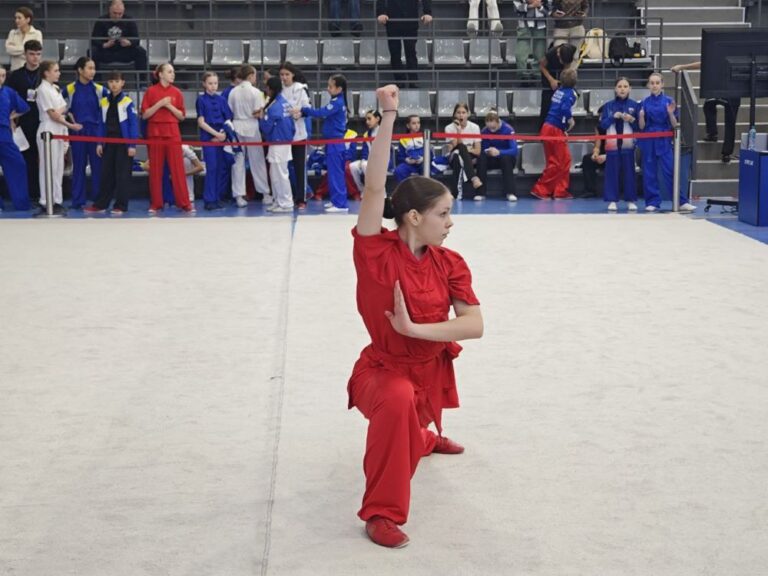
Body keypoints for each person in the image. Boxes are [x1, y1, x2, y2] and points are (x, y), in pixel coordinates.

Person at [350, 84, 483, 549]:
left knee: (411, 416)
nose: (450, 222)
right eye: (443, 214)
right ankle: (381, 513)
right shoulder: (374, 252)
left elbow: (474, 325)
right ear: (411, 217)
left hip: (429, 370)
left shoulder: (451, 262)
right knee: (398, 401)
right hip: (383, 370)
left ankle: (423, 439)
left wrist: (414, 329)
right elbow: (374, 187)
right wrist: (389, 115)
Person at [140, 62, 194, 214]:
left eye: (173, 72)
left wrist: (169, 106)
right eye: (170, 72)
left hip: (172, 133)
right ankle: (156, 203)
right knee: (156, 170)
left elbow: (181, 116)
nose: (173, 74)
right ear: (161, 74)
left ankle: (184, 203)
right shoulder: (150, 91)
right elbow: (145, 115)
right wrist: (160, 104)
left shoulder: (177, 92)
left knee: (177, 169)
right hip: (155, 133)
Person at [638, 72, 696, 212]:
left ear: (662, 84)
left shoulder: (669, 101)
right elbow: (641, 126)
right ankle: (652, 202)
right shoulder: (644, 102)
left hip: (664, 139)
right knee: (649, 172)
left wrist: (670, 113)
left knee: (670, 170)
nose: (654, 86)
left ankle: (680, 201)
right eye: (652, 83)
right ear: (648, 85)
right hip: (649, 139)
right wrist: (641, 116)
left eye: (657, 83)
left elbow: (675, 125)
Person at [85, 70, 138, 215]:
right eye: (111, 81)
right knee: (106, 175)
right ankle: (101, 204)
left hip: (123, 144)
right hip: (108, 143)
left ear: (122, 83)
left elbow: (133, 124)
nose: (114, 84)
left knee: (123, 176)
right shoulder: (103, 102)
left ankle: (121, 205)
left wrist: (132, 145)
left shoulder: (128, 102)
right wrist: (99, 143)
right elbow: (101, 124)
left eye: (117, 81)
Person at [296, 73, 349, 213]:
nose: (328, 89)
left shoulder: (337, 103)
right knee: (332, 174)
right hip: (332, 143)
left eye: (331, 86)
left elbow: (321, 112)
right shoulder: (336, 101)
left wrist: (304, 109)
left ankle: (340, 204)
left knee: (336, 174)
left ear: (339, 89)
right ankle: (336, 200)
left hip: (335, 143)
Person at [36, 60, 83, 215]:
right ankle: (46, 201)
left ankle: (57, 200)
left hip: (58, 128)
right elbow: (53, 114)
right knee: (48, 167)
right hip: (48, 128)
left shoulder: (55, 88)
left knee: (58, 166)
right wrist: (71, 126)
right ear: (46, 73)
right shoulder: (42, 89)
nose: (59, 73)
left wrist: (60, 115)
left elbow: (63, 107)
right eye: (55, 71)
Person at [671, 61, 740, 163]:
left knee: (730, 120)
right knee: (708, 105)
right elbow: (704, 63)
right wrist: (682, 66)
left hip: (734, 89)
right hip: (720, 88)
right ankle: (712, 133)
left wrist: (682, 66)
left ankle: (726, 153)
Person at [65, 57, 109, 210]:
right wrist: (69, 119)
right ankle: (78, 200)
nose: (93, 71)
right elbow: (59, 107)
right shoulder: (69, 89)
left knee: (98, 168)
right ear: (80, 70)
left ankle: (99, 200)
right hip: (77, 133)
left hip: (96, 133)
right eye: (90, 68)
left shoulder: (100, 90)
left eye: (94, 68)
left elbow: (111, 107)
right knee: (78, 167)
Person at [531, 67, 577, 200]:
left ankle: (557, 190)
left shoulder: (558, 91)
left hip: (547, 126)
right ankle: (543, 189)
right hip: (554, 129)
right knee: (562, 161)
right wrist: (570, 121)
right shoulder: (571, 94)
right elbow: (565, 108)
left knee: (555, 161)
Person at [229, 65, 271, 208]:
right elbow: (259, 112)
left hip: (237, 125)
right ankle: (265, 194)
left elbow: (230, 110)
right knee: (257, 161)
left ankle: (239, 196)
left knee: (238, 162)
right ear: (251, 76)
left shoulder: (233, 92)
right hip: (252, 126)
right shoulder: (256, 92)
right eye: (255, 76)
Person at [6, 39, 42, 203]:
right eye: (32, 54)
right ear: (25, 55)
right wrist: (12, 121)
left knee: (43, 158)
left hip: (42, 120)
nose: (35, 58)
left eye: (38, 54)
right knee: (26, 159)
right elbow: (8, 99)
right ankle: (29, 194)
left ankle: (43, 193)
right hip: (23, 122)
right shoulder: (16, 76)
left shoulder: (45, 73)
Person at [599, 77, 639, 211]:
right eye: (620, 86)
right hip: (612, 145)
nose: (622, 89)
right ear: (615, 89)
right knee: (612, 172)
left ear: (630, 89)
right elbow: (603, 125)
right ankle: (612, 200)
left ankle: (630, 200)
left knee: (629, 172)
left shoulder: (634, 105)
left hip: (628, 145)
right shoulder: (608, 106)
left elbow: (639, 127)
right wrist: (612, 117)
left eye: (625, 86)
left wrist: (631, 119)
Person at [196, 71, 233, 211]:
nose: (213, 86)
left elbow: (228, 119)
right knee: (211, 168)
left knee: (220, 169)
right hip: (209, 139)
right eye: (210, 83)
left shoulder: (222, 100)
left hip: (221, 138)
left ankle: (217, 197)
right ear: (204, 84)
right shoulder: (201, 100)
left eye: (215, 83)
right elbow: (201, 122)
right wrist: (215, 134)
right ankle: (209, 199)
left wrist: (223, 134)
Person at [376, 0, 433, 88]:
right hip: (392, 20)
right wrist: (380, 13)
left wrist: (427, 12)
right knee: (395, 53)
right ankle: (400, 81)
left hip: (410, 19)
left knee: (411, 51)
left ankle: (413, 80)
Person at [260, 76, 295, 213]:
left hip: (278, 142)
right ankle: (278, 200)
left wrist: (261, 118)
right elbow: (292, 125)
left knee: (280, 174)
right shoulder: (284, 102)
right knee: (275, 174)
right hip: (282, 141)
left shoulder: (274, 107)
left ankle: (286, 203)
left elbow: (266, 127)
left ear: (270, 89)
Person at [279, 62, 311, 208]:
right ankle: (285, 196)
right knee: (282, 168)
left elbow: (307, 108)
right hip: (282, 135)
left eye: (287, 74)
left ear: (292, 75)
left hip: (298, 134)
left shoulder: (300, 89)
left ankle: (301, 198)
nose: (284, 77)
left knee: (299, 167)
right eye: (282, 74)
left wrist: (299, 112)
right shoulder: (278, 89)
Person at [0, 64, 31, 211]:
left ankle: (21, 203)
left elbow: (24, 107)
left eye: (3, 76)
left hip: (4, 134)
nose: (1, 79)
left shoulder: (9, 92)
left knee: (18, 164)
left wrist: (10, 117)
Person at [90, 0, 148, 72]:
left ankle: (142, 79)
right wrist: (104, 45)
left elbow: (136, 40)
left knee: (140, 51)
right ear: (110, 10)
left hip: (124, 52)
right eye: (114, 13)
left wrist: (129, 43)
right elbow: (94, 40)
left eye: (120, 14)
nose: (117, 16)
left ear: (123, 11)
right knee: (92, 51)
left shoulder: (129, 20)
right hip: (106, 52)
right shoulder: (101, 21)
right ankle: (95, 78)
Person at [476, 109, 518, 201]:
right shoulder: (485, 131)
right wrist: (488, 151)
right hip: (491, 159)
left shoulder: (508, 129)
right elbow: (484, 148)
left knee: (505, 158)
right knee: (481, 158)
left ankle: (510, 192)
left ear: (498, 122)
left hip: (506, 159)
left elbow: (514, 150)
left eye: (494, 128)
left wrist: (499, 152)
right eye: (489, 128)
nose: (491, 130)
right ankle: (480, 193)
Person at [444, 102, 482, 200]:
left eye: (464, 112)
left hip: (467, 157)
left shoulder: (475, 127)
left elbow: (478, 151)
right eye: (458, 112)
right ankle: (473, 178)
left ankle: (455, 194)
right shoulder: (449, 128)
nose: (461, 115)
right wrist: (458, 132)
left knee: (459, 158)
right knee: (460, 149)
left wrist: (469, 150)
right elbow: (455, 146)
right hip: (453, 155)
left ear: (468, 114)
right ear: (454, 114)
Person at [539, 43, 577, 129]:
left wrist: (564, 81)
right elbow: (541, 66)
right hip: (548, 75)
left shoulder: (570, 50)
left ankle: (562, 127)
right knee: (546, 106)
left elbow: (567, 67)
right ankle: (542, 129)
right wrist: (551, 80)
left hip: (561, 76)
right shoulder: (551, 52)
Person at [513, 0, 550, 84]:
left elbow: (549, 11)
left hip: (540, 24)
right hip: (523, 24)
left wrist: (539, 6)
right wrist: (531, 5)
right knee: (520, 52)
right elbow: (516, 8)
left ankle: (537, 74)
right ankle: (522, 75)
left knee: (540, 53)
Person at [348, 109, 381, 194]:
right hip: (369, 161)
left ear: (377, 119)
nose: (367, 122)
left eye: (369, 119)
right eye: (366, 119)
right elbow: (365, 151)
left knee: (364, 164)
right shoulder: (366, 134)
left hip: (382, 161)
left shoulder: (384, 132)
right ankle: (363, 190)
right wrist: (363, 159)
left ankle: (373, 191)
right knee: (352, 166)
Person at [579, 105, 605, 199]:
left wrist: (607, 156)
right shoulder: (599, 127)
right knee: (587, 159)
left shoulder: (617, 127)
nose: (600, 119)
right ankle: (590, 190)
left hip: (614, 155)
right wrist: (595, 154)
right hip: (602, 155)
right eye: (599, 116)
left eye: (603, 116)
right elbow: (597, 145)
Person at [5, 6, 43, 72]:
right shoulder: (12, 33)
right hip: (15, 69)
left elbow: (35, 51)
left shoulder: (37, 33)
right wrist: (26, 51)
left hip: (31, 70)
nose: (16, 20)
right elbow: (9, 50)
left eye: (19, 18)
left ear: (28, 19)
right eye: (16, 18)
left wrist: (16, 50)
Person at [392, 114, 427, 183]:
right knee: (399, 171)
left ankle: (425, 189)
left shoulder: (424, 137)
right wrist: (406, 160)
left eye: (418, 123)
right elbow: (400, 156)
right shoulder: (403, 139)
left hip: (422, 163)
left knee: (427, 168)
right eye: (414, 123)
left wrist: (423, 158)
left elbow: (430, 153)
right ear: (408, 126)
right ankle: (404, 189)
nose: (417, 125)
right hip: (409, 165)